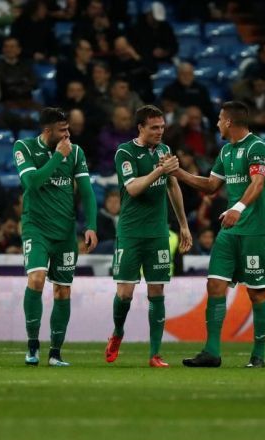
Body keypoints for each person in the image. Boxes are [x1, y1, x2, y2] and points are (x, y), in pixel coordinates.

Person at [171, 101, 265, 368]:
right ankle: (212, 352)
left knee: (256, 293)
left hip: (255, 231)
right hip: (230, 231)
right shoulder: (226, 151)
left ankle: (258, 355)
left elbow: (258, 183)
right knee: (215, 285)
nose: (216, 123)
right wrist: (178, 172)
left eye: (219, 119)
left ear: (228, 122)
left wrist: (238, 208)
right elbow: (210, 186)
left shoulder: (257, 147)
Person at [104, 105, 191, 368]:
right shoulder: (125, 152)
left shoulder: (164, 151)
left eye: (162, 127)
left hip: (157, 233)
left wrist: (184, 225)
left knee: (157, 291)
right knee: (125, 293)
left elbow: (173, 186)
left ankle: (155, 354)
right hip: (131, 233)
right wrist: (159, 171)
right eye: (154, 127)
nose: (159, 132)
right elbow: (133, 189)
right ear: (140, 127)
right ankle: (118, 332)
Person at [12, 108, 98, 366]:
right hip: (36, 228)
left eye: (68, 129)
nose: (67, 134)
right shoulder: (24, 148)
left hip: (65, 232)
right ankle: (32, 345)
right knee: (36, 279)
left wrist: (91, 225)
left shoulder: (77, 152)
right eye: (62, 130)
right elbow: (32, 183)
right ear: (47, 131)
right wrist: (56, 158)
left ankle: (55, 353)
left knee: (62, 291)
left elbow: (87, 191)